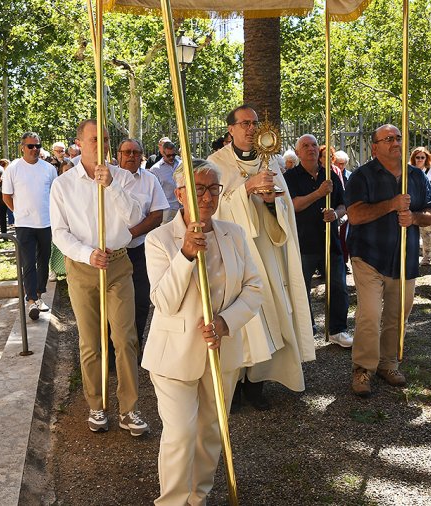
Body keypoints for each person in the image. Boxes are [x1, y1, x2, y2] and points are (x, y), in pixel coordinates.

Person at [143, 159, 262, 505]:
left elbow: (254, 288)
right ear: (181, 194)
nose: (207, 196)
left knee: (211, 430)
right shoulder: (160, 240)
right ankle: (174, 502)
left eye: (213, 189)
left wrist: (226, 322)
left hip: (220, 349)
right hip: (174, 356)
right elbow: (163, 301)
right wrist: (185, 255)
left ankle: (199, 496)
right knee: (181, 433)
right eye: (198, 189)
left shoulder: (234, 234)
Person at [207, 104, 314, 411]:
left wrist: (270, 203)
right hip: (233, 255)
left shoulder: (271, 162)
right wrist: (246, 190)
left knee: (269, 313)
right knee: (237, 317)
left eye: (254, 123)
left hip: (267, 252)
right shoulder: (216, 163)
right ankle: (235, 385)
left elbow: (285, 210)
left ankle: (257, 383)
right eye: (244, 123)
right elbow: (214, 207)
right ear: (231, 129)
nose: (251, 128)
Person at [50, 119, 149, 436]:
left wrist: (113, 187)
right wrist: (85, 254)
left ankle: (129, 408)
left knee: (126, 339)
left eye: (105, 139)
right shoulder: (63, 185)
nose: (101, 145)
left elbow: (136, 218)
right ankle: (96, 404)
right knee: (91, 341)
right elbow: (60, 233)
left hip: (119, 264)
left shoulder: (120, 177)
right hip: (83, 267)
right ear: (80, 142)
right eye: (94, 139)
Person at [345, 125, 431, 396]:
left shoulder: (416, 176)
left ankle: (388, 364)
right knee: (370, 314)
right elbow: (355, 215)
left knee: (398, 316)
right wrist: (392, 204)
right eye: (388, 139)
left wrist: (415, 218)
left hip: (404, 259)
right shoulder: (362, 176)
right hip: (368, 256)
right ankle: (363, 369)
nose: (395, 142)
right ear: (375, 147)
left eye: (398, 138)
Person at [284, 134, 352, 347]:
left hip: (330, 241)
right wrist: (319, 193)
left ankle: (337, 330)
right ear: (298, 152)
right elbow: (293, 205)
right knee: (301, 289)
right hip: (303, 243)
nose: (311, 149)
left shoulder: (330, 174)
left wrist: (336, 214)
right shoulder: (290, 177)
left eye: (314, 144)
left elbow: (343, 205)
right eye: (305, 145)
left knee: (339, 287)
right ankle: (306, 330)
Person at [116, 138, 169, 349]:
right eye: (127, 152)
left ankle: (135, 347)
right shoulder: (107, 178)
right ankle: (111, 350)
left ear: (142, 156)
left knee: (139, 301)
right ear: (118, 155)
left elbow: (157, 215)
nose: (131, 156)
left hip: (139, 249)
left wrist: (130, 235)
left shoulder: (150, 179)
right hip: (111, 251)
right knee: (113, 303)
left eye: (136, 153)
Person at [2, 132, 57, 321]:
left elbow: (55, 196)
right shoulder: (13, 168)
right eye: (30, 146)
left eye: (37, 146)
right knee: (28, 262)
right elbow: (6, 195)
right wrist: (18, 212)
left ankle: (39, 295)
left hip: (46, 222)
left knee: (44, 260)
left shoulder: (49, 169)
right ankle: (31, 300)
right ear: (22, 147)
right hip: (24, 224)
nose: (35, 149)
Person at [411, 146, 431, 265]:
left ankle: (427, 257)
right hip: (412, 206)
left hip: (425, 207)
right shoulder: (409, 168)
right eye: (418, 157)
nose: (420, 159)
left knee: (427, 233)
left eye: (423, 157)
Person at [150, 141, 181, 223]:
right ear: (162, 154)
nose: (171, 157)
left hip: (183, 206)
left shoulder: (182, 164)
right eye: (168, 155)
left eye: (173, 155)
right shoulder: (155, 170)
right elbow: (153, 192)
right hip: (168, 209)